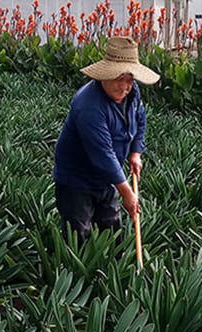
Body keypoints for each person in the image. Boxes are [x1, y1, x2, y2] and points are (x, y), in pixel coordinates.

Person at [52, 36, 160, 244]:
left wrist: (135, 152)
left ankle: (112, 272)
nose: (124, 86)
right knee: (78, 233)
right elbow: (103, 154)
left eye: (130, 79)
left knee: (112, 231)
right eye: (119, 78)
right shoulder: (89, 106)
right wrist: (127, 193)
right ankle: (73, 273)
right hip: (77, 179)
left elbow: (139, 117)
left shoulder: (131, 93)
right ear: (104, 75)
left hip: (107, 178)